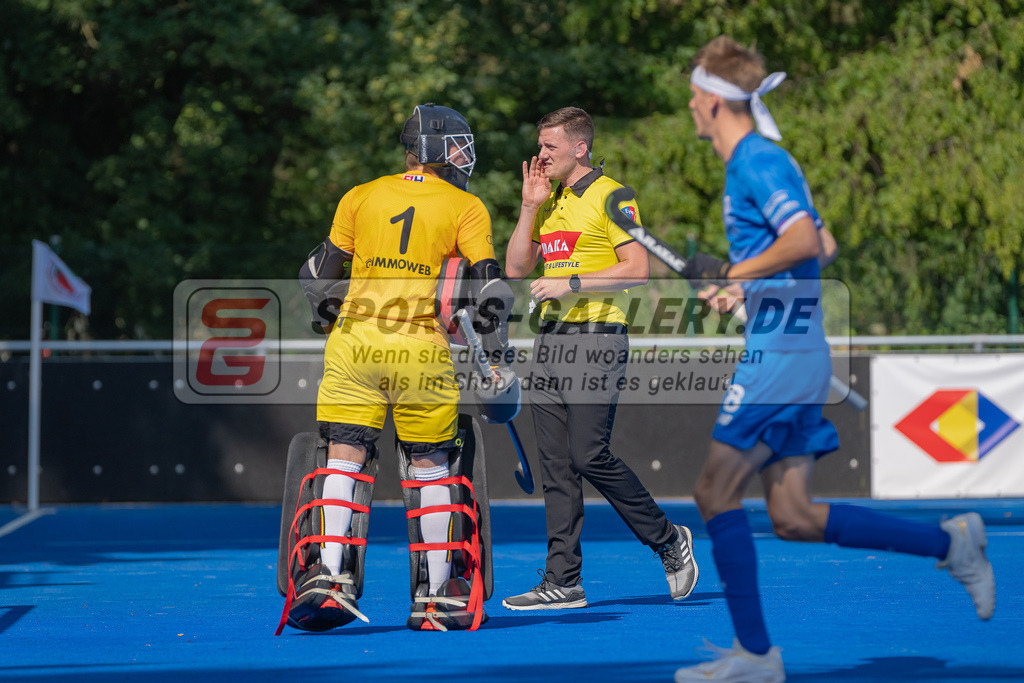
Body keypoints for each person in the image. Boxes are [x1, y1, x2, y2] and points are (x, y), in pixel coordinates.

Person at [671, 37, 995, 682]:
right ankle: (952, 543)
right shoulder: (761, 161)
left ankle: (756, 656)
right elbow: (823, 241)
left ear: (712, 101)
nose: (689, 106)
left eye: (692, 95)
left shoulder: (755, 161)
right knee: (793, 516)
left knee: (713, 491)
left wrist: (737, 272)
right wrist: (746, 286)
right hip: (792, 348)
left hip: (781, 356)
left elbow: (803, 240)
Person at [287, 103, 517, 632]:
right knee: (431, 466)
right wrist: (496, 359)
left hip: (354, 344)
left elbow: (315, 275)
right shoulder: (467, 207)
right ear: (432, 147)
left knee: (344, 458)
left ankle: (328, 578)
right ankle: (437, 596)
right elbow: (491, 291)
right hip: (420, 350)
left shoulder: (360, 195)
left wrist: (330, 317)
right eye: (456, 145)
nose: (464, 156)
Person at [502, 106, 699, 610]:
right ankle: (563, 580)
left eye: (550, 147)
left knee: (588, 455)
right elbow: (517, 268)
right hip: (549, 341)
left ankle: (669, 540)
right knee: (555, 466)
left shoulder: (614, 195)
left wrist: (570, 283)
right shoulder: (549, 201)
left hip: (596, 340)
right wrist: (528, 207)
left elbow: (638, 268)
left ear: (580, 148)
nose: (541, 155)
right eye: (540, 146)